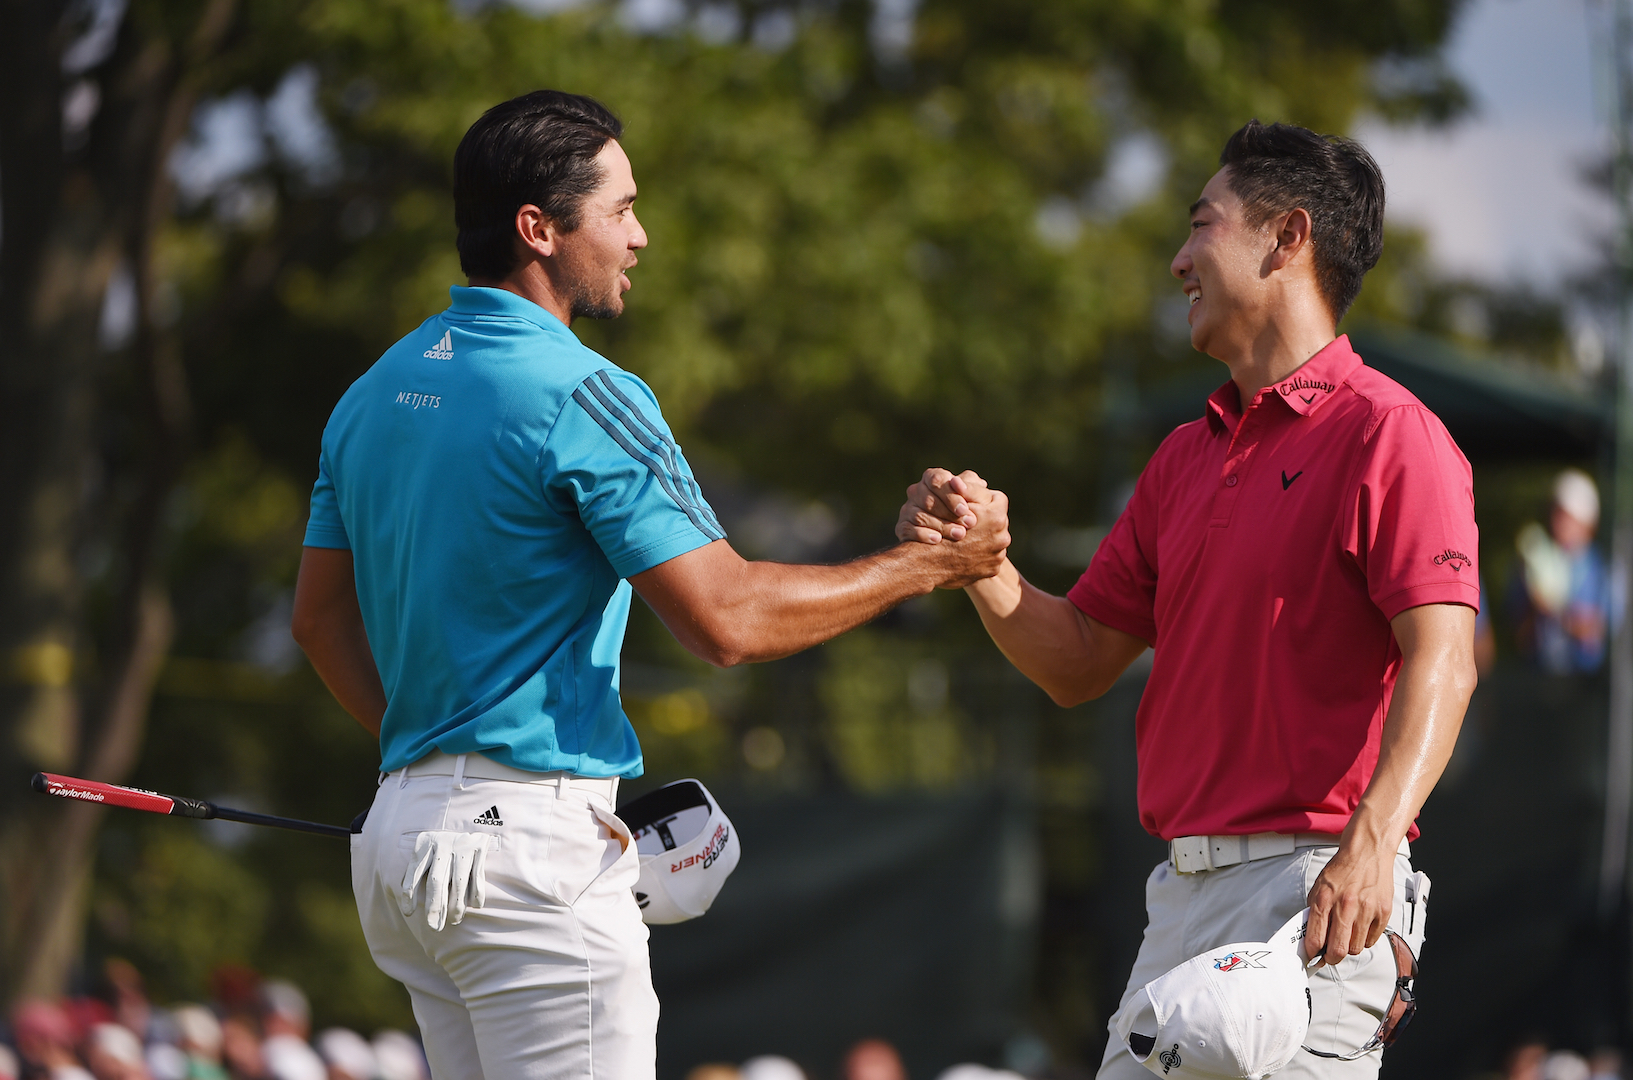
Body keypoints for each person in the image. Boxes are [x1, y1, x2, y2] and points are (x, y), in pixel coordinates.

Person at [290, 90, 1009, 1080]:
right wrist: (930, 566)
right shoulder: (585, 390)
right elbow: (726, 620)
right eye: (621, 210)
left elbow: (316, 621)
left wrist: (436, 769)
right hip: (526, 863)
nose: (639, 236)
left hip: (399, 847)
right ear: (538, 228)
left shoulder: (369, 394)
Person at [900, 120, 1478, 1078]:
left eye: (1201, 224)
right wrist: (979, 568)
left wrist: (1372, 844)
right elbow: (1076, 661)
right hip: (1178, 901)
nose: (1177, 260)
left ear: (1287, 237)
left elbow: (1444, 661)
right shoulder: (1180, 457)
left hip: (1316, 894)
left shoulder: (1391, 433)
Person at [1512, 468, 1613, 674]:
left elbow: (1601, 629)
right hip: (1539, 677)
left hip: (1588, 684)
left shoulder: (1604, 568)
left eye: (1567, 516)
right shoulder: (1533, 561)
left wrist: (1554, 611)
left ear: (1587, 522)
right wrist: (1534, 605)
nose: (1558, 522)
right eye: (1556, 513)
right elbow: (1519, 635)